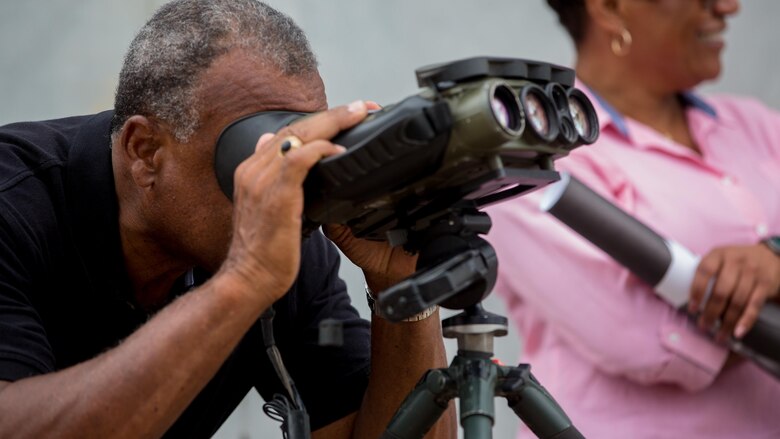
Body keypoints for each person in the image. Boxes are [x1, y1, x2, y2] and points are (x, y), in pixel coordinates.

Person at [0, 1, 455, 438]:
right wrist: (247, 278)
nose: (284, 183)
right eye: (257, 154)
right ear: (145, 151)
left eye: (299, 150)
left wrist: (403, 293)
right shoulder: (15, 206)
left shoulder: (286, 243)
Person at [485, 0, 780, 437]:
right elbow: (647, 342)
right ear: (609, 7)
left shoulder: (757, 126)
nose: (728, 6)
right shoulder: (532, 160)